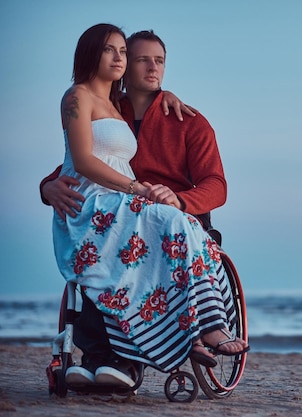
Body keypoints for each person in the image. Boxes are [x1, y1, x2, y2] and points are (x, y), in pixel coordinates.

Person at [42, 24, 248, 388]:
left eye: (159, 61)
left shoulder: (189, 121)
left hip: (174, 216)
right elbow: (77, 163)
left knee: (160, 232)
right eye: (141, 59)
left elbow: (217, 185)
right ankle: (109, 359)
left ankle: (193, 333)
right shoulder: (108, 108)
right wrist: (48, 187)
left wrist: (181, 200)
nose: (151, 68)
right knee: (112, 252)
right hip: (121, 209)